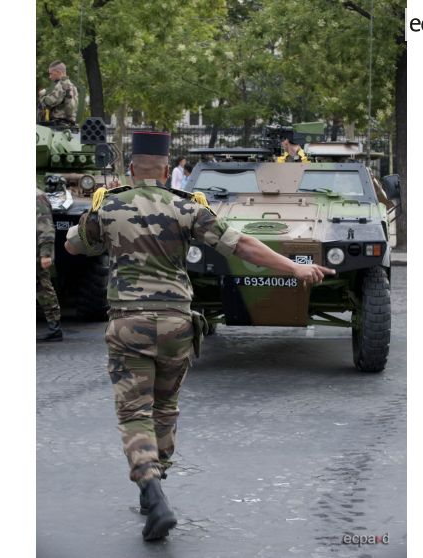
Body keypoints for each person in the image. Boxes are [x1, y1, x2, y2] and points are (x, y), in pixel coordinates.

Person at [64, 131, 335, 541]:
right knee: (166, 406)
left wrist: (95, 216)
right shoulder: (187, 207)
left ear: (132, 168)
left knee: (134, 412)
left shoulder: (111, 204)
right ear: (167, 163)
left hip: (128, 324)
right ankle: (158, 481)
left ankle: (151, 490)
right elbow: (240, 245)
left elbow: (72, 247)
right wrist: (294, 268)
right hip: (176, 324)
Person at [36, 188, 62, 342]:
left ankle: (54, 327)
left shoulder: (37, 196)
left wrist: (45, 253)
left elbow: (45, 226)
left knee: (42, 287)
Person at [38, 61, 78, 127]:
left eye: (51, 74)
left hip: (58, 123)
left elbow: (50, 102)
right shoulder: (72, 86)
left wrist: (42, 96)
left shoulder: (62, 84)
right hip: (69, 122)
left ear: (58, 72)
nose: (50, 77)